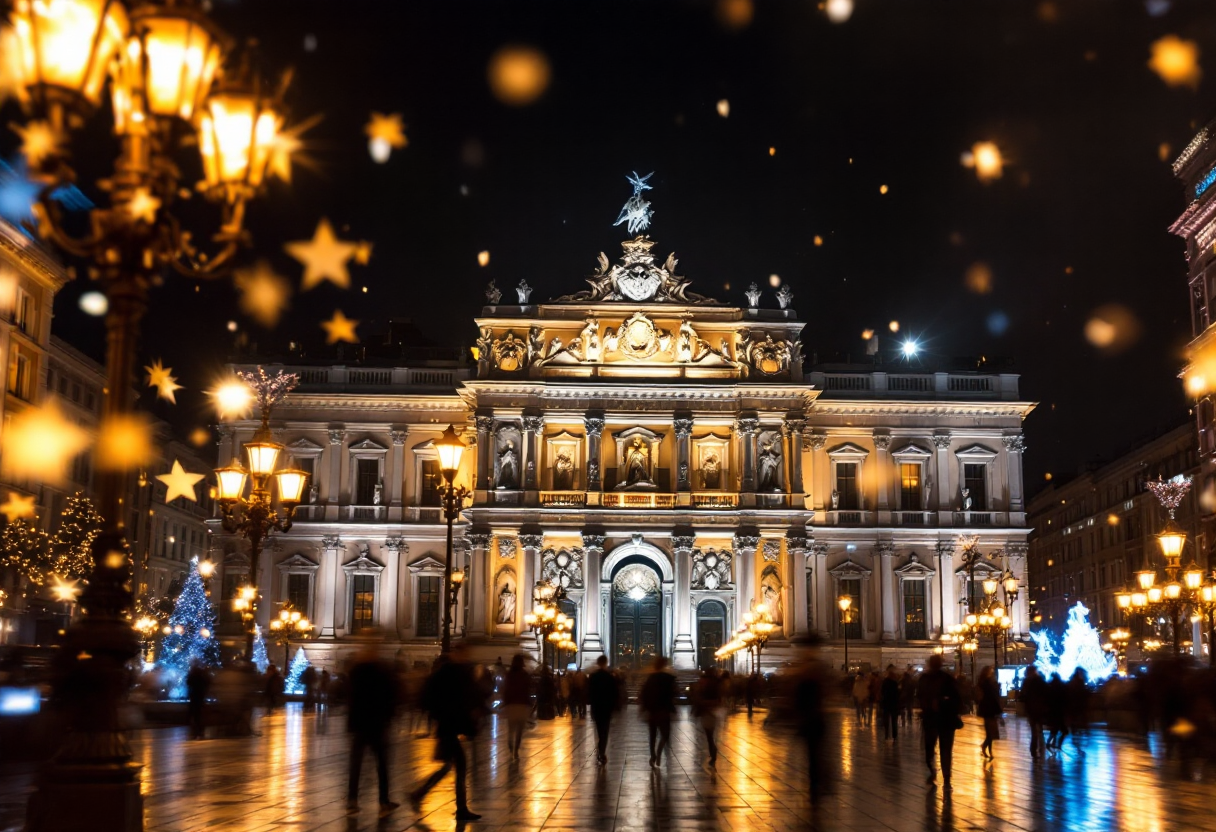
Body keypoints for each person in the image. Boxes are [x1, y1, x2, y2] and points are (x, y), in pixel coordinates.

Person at [410, 647, 482, 822]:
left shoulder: (454, 672)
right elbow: (453, 701)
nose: (466, 656)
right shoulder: (448, 674)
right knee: (458, 766)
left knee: (449, 767)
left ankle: (420, 794)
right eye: (464, 653)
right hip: (447, 727)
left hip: (448, 727)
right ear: (455, 654)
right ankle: (460, 808)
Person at [345, 647, 400, 815]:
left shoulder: (357, 670)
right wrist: (389, 716)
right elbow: (389, 694)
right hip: (375, 723)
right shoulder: (380, 670)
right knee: (380, 764)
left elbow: (351, 696)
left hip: (364, 723)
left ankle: (353, 800)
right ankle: (382, 801)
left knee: (359, 765)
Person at [918, 654, 962, 790]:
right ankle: (941, 777)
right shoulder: (930, 678)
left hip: (941, 718)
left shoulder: (936, 679)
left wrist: (940, 702)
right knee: (941, 750)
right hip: (937, 718)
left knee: (936, 749)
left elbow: (956, 698)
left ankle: (943, 777)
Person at [640, 656, 677, 767]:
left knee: (652, 735)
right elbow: (673, 693)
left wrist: (644, 708)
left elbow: (644, 694)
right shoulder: (669, 678)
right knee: (665, 735)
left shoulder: (650, 678)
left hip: (653, 711)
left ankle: (653, 756)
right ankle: (659, 751)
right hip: (664, 711)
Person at [588, 655, 619, 764]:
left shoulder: (593, 676)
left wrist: (592, 707)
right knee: (604, 732)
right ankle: (602, 752)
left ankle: (600, 752)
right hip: (606, 709)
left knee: (598, 731)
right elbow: (614, 693)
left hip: (597, 708)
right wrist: (614, 708)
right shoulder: (610, 677)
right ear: (606, 663)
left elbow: (590, 693)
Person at [502, 654, 532, 758]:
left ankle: (510, 745)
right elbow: (528, 690)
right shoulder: (525, 675)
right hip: (522, 705)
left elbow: (506, 690)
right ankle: (516, 750)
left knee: (511, 729)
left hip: (511, 705)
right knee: (519, 730)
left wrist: (505, 702)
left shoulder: (509, 675)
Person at [692, 670, 723, 766]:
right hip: (711, 713)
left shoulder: (707, 688)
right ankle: (713, 753)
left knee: (710, 736)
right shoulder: (713, 686)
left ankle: (713, 754)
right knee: (710, 736)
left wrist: (703, 703)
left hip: (708, 714)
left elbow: (701, 700)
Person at [1021, 665, 1048, 759]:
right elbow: (1046, 693)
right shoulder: (1040, 680)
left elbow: (1022, 696)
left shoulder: (1026, 681)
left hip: (1031, 709)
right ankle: (1041, 747)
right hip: (1039, 709)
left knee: (1034, 730)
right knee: (1039, 729)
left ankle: (1034, 749)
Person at [976, 665, 1001, 759]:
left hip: (986, 709)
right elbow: (993, 697)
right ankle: (987, 750)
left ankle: (988, 749)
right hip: (990, 709)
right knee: (990, 732)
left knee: (990, 732)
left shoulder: (983, 682)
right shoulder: (988, 683)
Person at [186, 660, 211, 740]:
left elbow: (188, 682)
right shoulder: (202, 674)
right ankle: (200, 730)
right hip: (200, 696)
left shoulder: (192, 674)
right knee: (199, 713)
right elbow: (207, 682)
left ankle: (195, 730)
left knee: (194, 713)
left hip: (194, 696)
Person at [880, 665, 901, 740]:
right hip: (893, 703)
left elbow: (882, 692)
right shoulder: (895, 683)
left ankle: (886, 734)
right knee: (894, 720)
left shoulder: (885, 682)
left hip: (886, 703)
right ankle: (894, 735)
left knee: (886, 720)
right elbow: (897, 693)